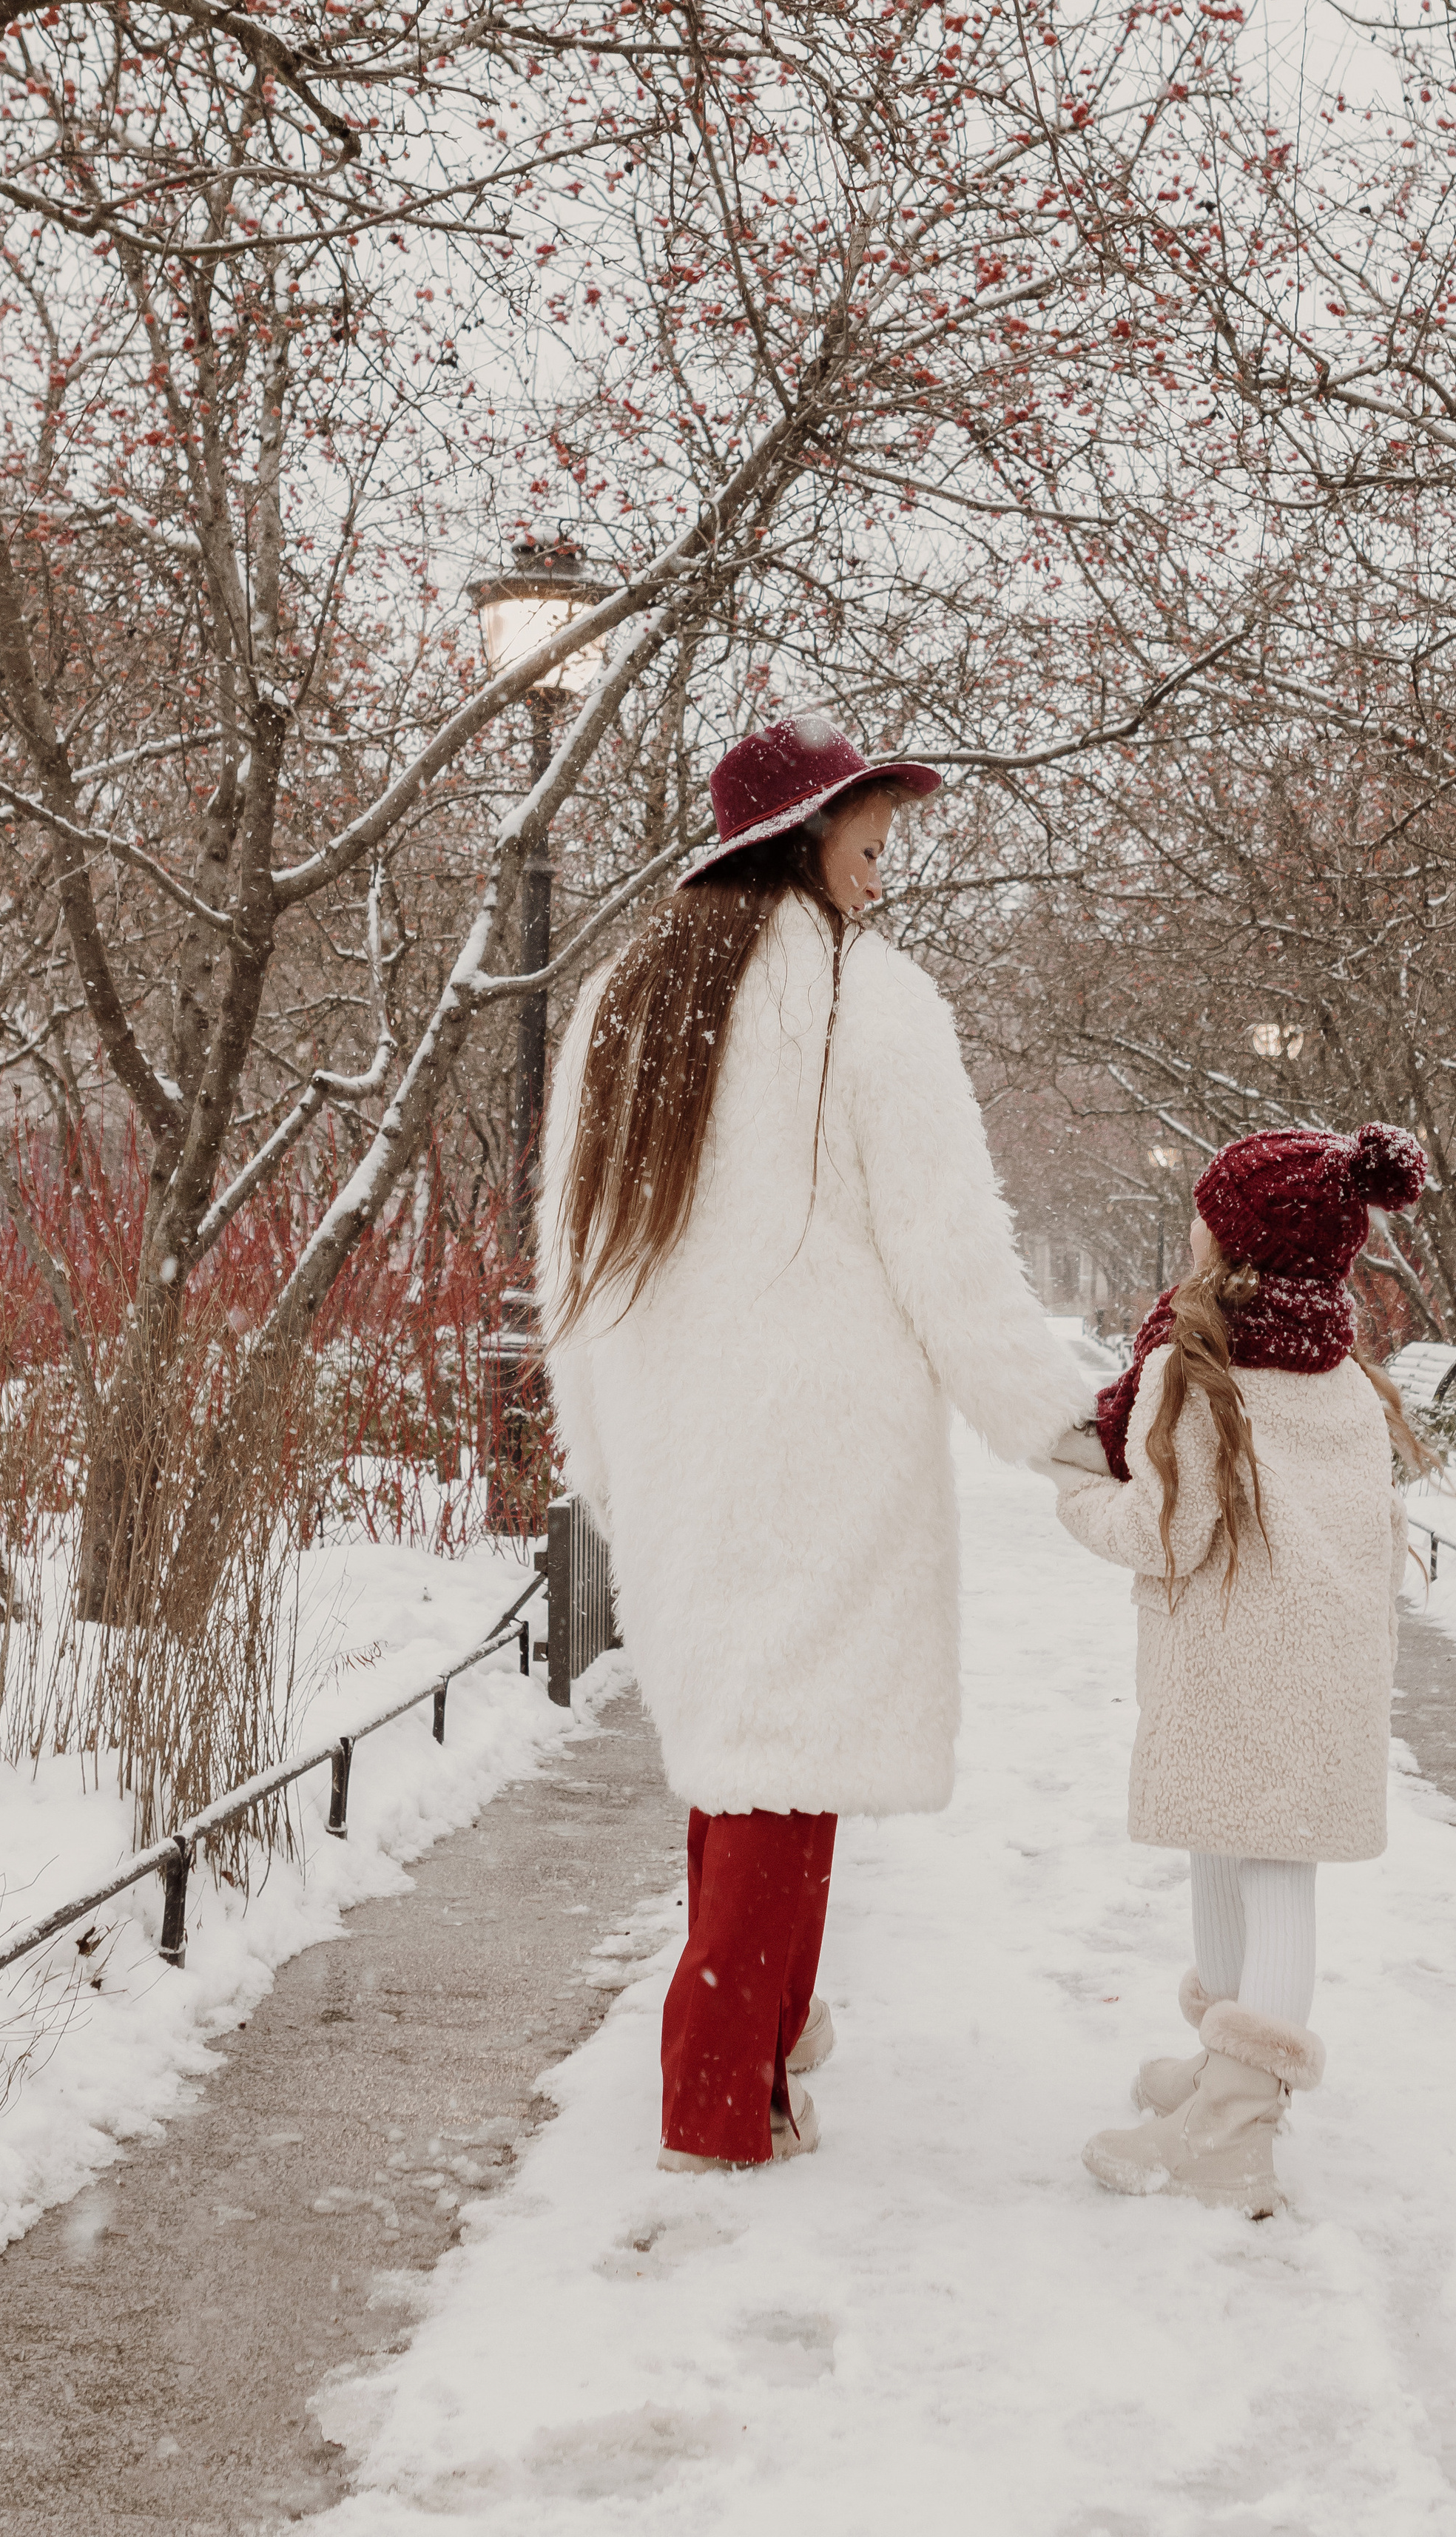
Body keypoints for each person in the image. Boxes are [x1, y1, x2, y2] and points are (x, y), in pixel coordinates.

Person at [539, 710, 1091, 2174]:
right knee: (788, 1764)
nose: (880, 873)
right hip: (823, 1439)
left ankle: (759, 2060)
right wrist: (1061, 1425)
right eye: (870, 839)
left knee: (746, 1758)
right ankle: (714, 2103)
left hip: (675, 1440)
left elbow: (569, 1259)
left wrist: (602, 1453)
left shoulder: (626, 1000)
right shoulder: (866, 1001)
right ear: (807, 836)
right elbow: (951, 1259)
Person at [1044, 1122, 1429, 2219]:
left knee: (1264, 1874)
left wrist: (1079, 1495)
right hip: (1315, 1669)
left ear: (1233, 1243)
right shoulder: (1343, 1377)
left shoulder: (1198, 1368)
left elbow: (1166, 1534)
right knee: (1244, 1852)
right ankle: (1228, 2072)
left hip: (1238, 1663)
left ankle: (1232, 2134)